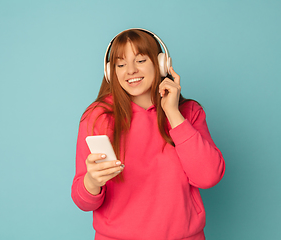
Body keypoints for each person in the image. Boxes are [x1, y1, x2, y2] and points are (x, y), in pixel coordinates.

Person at [71, 28, 225, 240]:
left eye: (140, 60)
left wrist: (172, 112)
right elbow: (83, 202)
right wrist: (92, 182)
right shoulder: (97, 116)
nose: (130, 70)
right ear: (111, 72)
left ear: (161, 64)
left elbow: (209, 177)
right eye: (121, 64)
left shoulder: (189, 112)